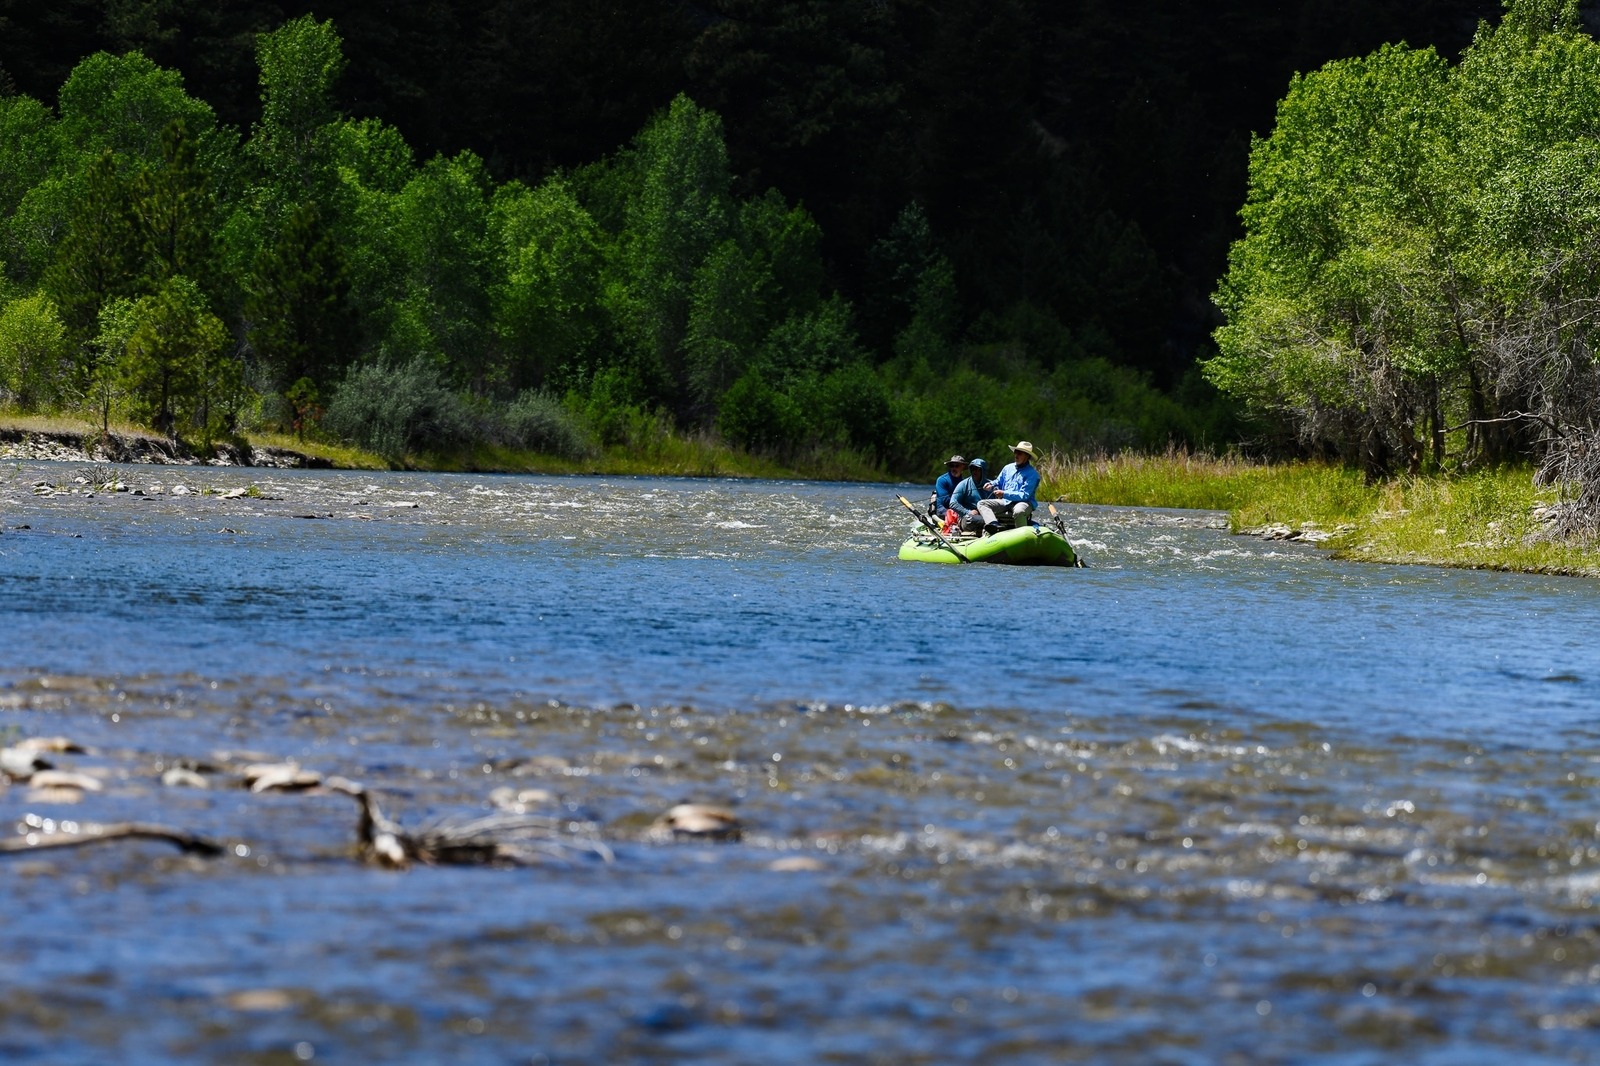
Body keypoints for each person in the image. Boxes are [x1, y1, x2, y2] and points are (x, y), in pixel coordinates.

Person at [978, 440, 1040, 532]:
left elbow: (1024, 495)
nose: (1016, 455)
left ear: (1027, 456)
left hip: (1024, 502)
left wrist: (1004, 494)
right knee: (982, 504)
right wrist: (991, 484)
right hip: (1006, 501)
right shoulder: (1007, 468)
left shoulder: (1033, 474)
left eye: (1020, 453)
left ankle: (1023, 535)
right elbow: (998, 481)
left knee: (1019, 511)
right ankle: (994, 525)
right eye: (1016, 452)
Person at [947, 458, 990, 533]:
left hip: (987, 515)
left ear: (983, 470)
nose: (974, 471)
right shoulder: (964, 484)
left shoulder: (991, 484)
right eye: (972, 469)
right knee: (970, 520)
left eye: (977, 469)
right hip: (968, 518)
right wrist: (968, 512)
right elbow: (952, 503)